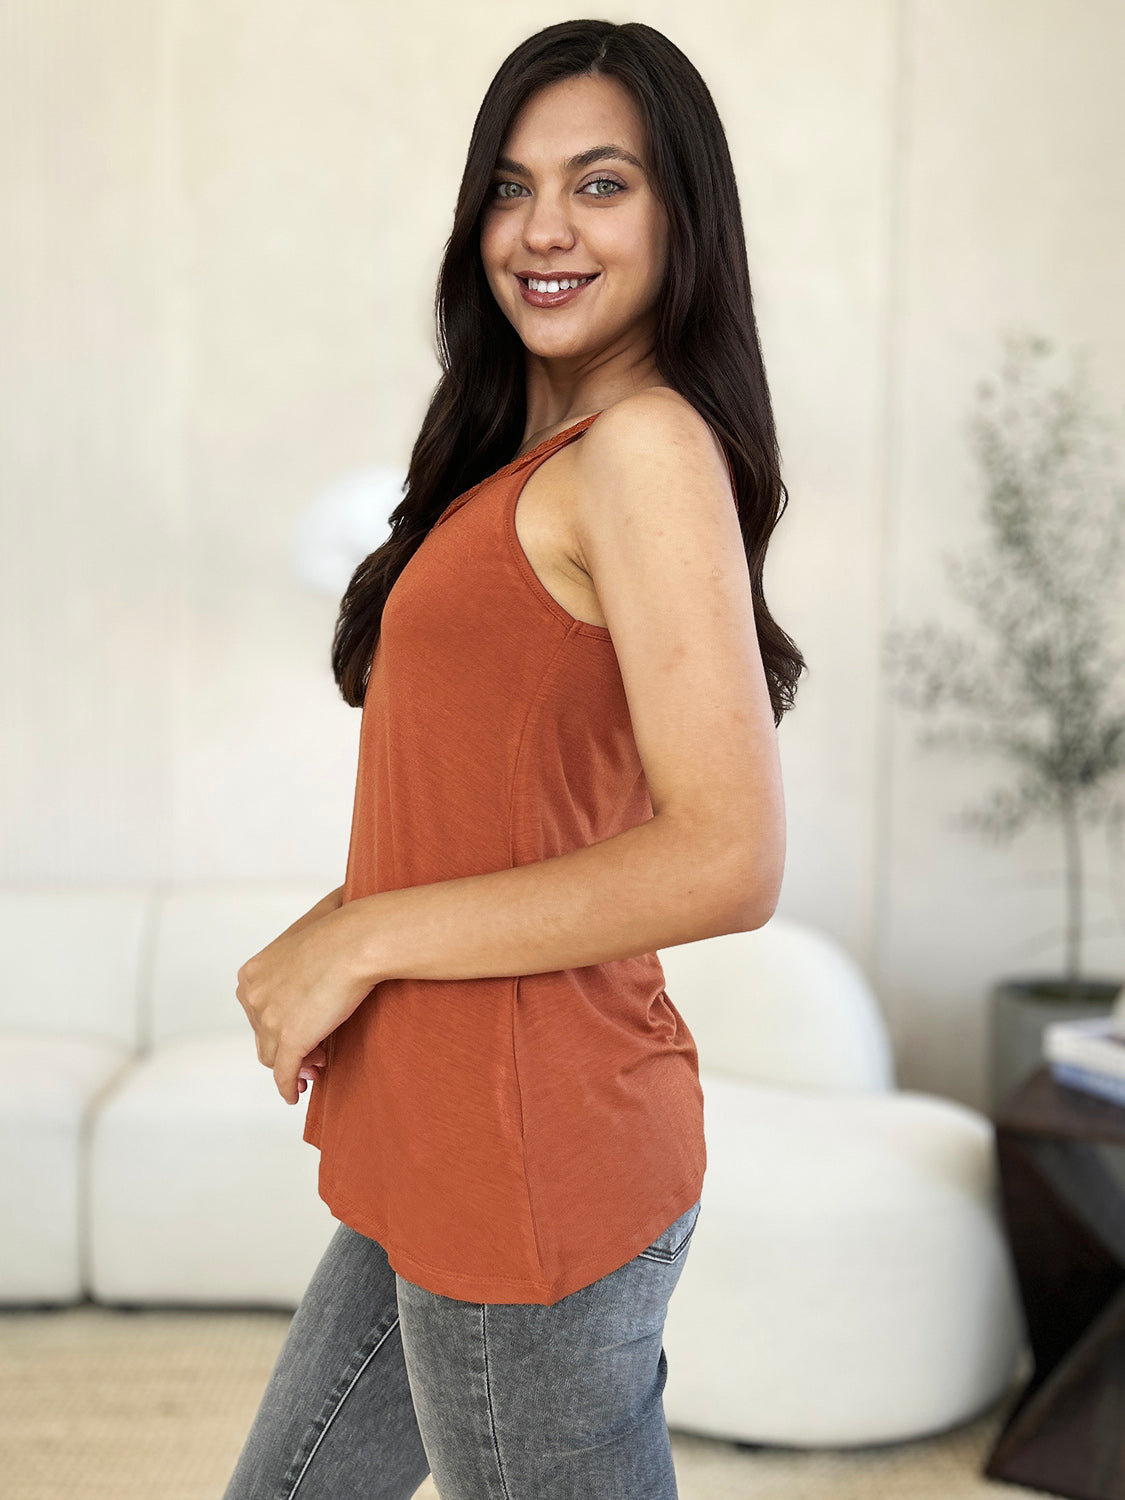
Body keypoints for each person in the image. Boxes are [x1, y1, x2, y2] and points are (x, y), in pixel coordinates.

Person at [226, 17, 803, 1500]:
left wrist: (367, 934)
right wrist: (337, 920)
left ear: (681, 215)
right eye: (509, 184)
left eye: (600, 184)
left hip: (525, 1155)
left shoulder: (644, 451)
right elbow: (497, 801)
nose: (542, 228)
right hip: (448, 1130)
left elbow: (727, 856)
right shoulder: (526, 456)